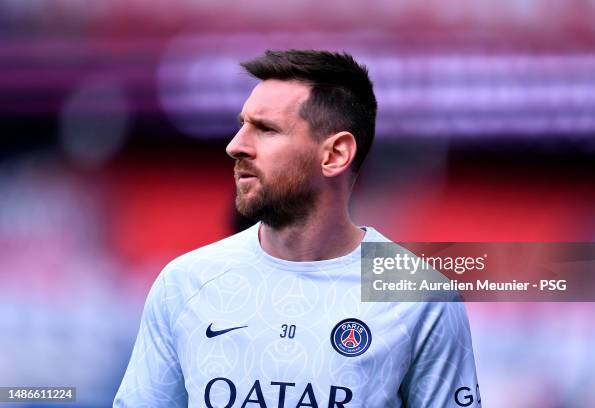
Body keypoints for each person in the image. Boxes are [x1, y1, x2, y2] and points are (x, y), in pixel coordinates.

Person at [114, 49, 480, 407]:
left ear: (335, 154)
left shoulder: (419, 298)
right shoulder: (185, 283)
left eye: (266, 130)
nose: (235, 146)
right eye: (242, 125)